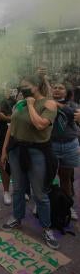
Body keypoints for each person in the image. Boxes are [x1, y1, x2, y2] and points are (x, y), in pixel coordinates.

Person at [1, 75, 59, 249]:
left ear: (36, 86)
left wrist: (31, 104)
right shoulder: (20, 103)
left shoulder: (49, 104)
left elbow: (40, 124)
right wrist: (4, 151)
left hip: (37, 152)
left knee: (39, 193)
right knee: (18, 188)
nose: (22, 88)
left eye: (26, 86)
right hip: (17, 150)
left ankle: (47, 228)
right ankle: (17, 218)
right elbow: (11, 127)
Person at [51, 81, 79, 220]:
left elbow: (73, 113)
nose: (57, 90)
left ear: (66, 91)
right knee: (48, 176)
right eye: (55, 87)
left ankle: (67, 206)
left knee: (65, 178)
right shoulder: (47, 103)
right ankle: (44, 202)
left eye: (60, 88)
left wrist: (59, 105)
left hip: (69, 145)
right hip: (51, 145)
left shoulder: (73, 105)